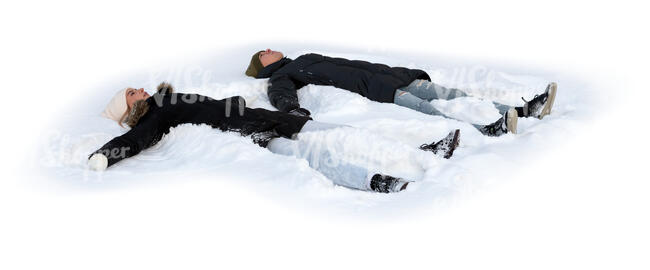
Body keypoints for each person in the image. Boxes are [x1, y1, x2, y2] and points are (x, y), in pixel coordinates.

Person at [87, 83, 462, 193]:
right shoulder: (157, 112)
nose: (136, 89)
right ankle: (376, 180)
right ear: (130, 109)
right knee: (313, 158)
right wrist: (107, 154)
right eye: (129, 93)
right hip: (247, 132)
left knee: (340, 133)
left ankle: (420, 153)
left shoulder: (169, 98)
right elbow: (139, 138)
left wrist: (237, 102)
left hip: (260, 117)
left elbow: (212, 106)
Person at [244, 49, 558, 137]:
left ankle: (525, 110)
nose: (270, 50)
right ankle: (488, 129)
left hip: (393, 77)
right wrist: (290, 109)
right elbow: (282, 94)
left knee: (451, 93)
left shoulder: (301, 58)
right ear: (263, 66)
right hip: (378, 90)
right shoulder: (283, 75)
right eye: (264, 53)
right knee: (432, 110)